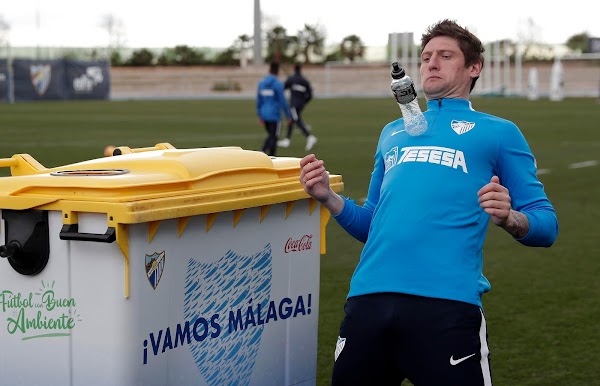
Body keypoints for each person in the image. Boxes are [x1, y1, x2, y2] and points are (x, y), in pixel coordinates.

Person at [299, 19, 558, 386]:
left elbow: (546, 225)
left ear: (474, 67)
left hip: (446, 307)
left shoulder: (499, 132)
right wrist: (328, 197)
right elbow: (372, 224)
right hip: (368, 302)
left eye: (445, 55)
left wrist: (511, 217)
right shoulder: (392, 132)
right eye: (426, 57)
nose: (431, 63)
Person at [278, 63, 318, 151]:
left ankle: (310, 137)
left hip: (294, 104)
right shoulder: (305, 81)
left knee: (296, 120)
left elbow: (283, 88)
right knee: (292, 119)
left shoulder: (292, 79)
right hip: (301, 105)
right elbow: (310, 95)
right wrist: (304, 102)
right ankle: (287, 140)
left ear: (294, 68)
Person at [256, 62, 292, 156]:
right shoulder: (278, 84)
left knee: (271, 135)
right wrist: (288, 115)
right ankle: (268, 154)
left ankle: (264, 152)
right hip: (274, 115)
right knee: (274, 137)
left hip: (264, 114)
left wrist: (259, 114)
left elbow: (259, 100)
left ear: (269, 70)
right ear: (278, 71)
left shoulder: (262, 83)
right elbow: (282, 101)